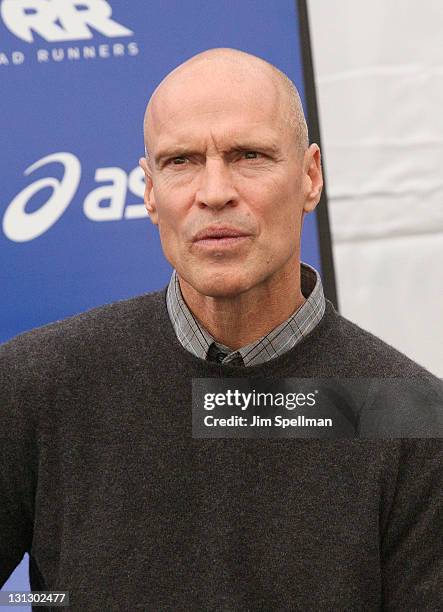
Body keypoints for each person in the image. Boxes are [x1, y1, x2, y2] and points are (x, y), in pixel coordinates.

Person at [0, 48, 441, 610]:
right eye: (181, 161)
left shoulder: (410, 419)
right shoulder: (36, 385)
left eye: (248, 156)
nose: (213, 192)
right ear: (150, 191)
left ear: (310, 177)